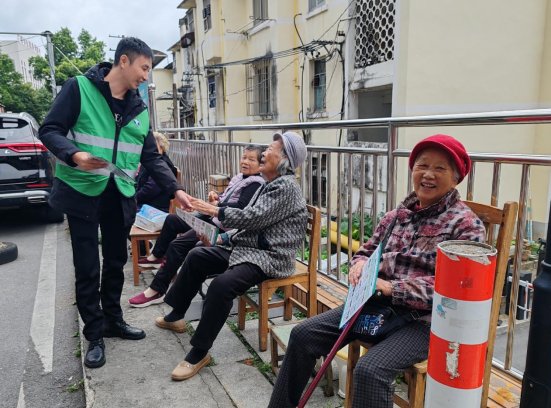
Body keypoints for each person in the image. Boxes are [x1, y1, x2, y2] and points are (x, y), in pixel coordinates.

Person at [268, 134, 486, 408]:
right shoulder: (397, 215)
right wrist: (359, 266)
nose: (428, 174)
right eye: (422, 166)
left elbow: (457, 290)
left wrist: (392, 288)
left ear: (456, 178)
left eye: (439, 168)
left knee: (370, 371)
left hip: (426, 320)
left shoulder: (466, 226)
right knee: (303, 335)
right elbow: (366, 250)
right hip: (375, 304)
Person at [38, 37, 192, 369]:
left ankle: (113, 320)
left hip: (119, 192)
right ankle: (94, 334)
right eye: (144, 68)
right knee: (87, 266)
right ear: (124, 61)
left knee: (116, 261)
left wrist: (176, 190)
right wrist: (75, 155)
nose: (146, 76)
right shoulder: (79, 88)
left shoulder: (139, 108)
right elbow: (49, 130)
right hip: (81, 190)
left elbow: (152, 157)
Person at [154, 131, 308, 381]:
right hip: (249, 249)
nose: (264, 154)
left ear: (284, 160)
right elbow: (251, 224)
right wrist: (221, 238)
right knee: (197, 255)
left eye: (270, 150)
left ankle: (199, 352)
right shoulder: (269, 183)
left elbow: (252, 218)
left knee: (221, 286)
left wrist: (214, 210)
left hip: (270, 257)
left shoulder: (286, 187)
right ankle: (177, 315)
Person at [128, 145, 266, 307]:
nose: (245, 162)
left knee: (177, 245)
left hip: (222, 228)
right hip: (212, 218)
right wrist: (217, 196)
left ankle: (157, 290)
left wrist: (216, 205)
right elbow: (228, 199)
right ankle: (157, 257)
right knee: (173, 220)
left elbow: (240, 207)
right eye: (244, 157)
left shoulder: (256, 183)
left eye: (251, 159)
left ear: (260, 165)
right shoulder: (240, 177)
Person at [136, 132, 178, 212]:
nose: (150, 148)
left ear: (161, 147)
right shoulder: (148, 161)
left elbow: (150, 189)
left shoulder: (164, 164)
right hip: (145, 203)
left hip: (154, 207)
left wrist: (133, 199)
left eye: (153, 145)